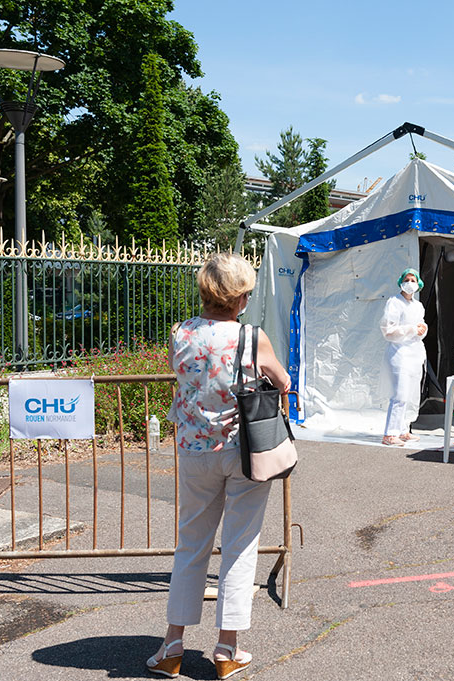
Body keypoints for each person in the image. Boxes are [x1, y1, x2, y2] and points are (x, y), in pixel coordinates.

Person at [148, 253, 290, 680]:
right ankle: (227, 648)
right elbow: (282, 381)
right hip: (246, 449)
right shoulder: (253, 336)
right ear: (241, 297)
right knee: (240, 545)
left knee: (191, 543)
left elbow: (184, 375)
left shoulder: (180, 333)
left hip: (194, 447)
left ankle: (173, 644)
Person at [380, 267, 428, 446]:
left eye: (413, 280)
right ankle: (390, 433)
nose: (410, 283)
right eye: (407, 280)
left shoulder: (418, 305)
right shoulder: (394, 302)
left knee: (412, 394)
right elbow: (388, 331)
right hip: (399, 353)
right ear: (401, 282)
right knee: (399, 394)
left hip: (415, 353)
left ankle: (403, 429)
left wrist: (422, 329)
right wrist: (411, 329)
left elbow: (421, 324)